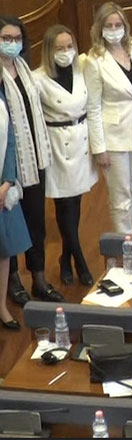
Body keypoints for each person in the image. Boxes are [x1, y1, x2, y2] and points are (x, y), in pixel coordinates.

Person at [34, 24, 99, 286]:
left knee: (76, 204)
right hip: (57, 146)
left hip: (81, 140)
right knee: (64, 204)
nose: (66, 52)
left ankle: (65, 257)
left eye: (69, 46)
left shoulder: (82, 70)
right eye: (59, 48)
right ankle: (79, 260)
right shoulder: (38, 78)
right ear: (50, 50)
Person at [0, 16, 59, 304]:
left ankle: (39, 278)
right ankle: (13, 281)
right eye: (5, 38)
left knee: (37, 221)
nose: (12, 43)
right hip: (7, 165)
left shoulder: (24, 69)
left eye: (16, 38)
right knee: (12, 226)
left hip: (34, 158)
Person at [85, 3, 132, 236]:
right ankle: (125, 246)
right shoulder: (95, 60)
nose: (114, 29)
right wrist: (99, 148)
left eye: (118, 24)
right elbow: (92, 107)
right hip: (112, 137)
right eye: (108, 25)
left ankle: (128, 237)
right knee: (120, 195)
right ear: (99, 29)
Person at [0, 85, 31, 329]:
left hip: (1, 189)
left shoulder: (1, 96)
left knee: (5, 249)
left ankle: (1, 306)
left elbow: (10, 141)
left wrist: (7, 181)